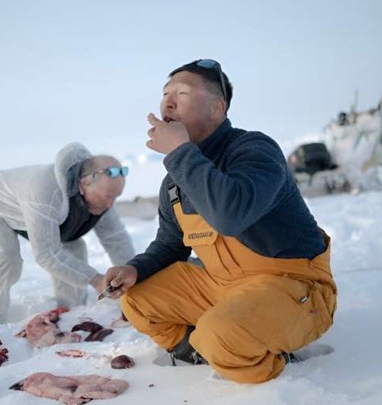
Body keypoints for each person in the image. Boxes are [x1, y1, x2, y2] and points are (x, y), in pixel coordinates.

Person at [102, 59, 337, 383]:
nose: (167, 102)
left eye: (182, 93)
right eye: (165, 93)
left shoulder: (255, 150)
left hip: (292, 288)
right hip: (222, 287)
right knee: (137, 298)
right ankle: (197, 352)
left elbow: (231, 213)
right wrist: (135, 269)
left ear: (216, 108)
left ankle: (267, 366)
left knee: (219, 335)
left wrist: (180, 152)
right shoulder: (175, 180)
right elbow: (170, 245)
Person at [0, 142, 135, 331]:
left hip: (48, 216)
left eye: (117, 196)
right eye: (108, 197)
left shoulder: (104, 195)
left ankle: (70, 312)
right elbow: (47, 254)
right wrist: (96, 279)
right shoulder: (45, 192)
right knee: (6, 258)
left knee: (73, 246)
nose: (112, 204)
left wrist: (132, 274)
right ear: (83, 184)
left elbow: (117, 240)